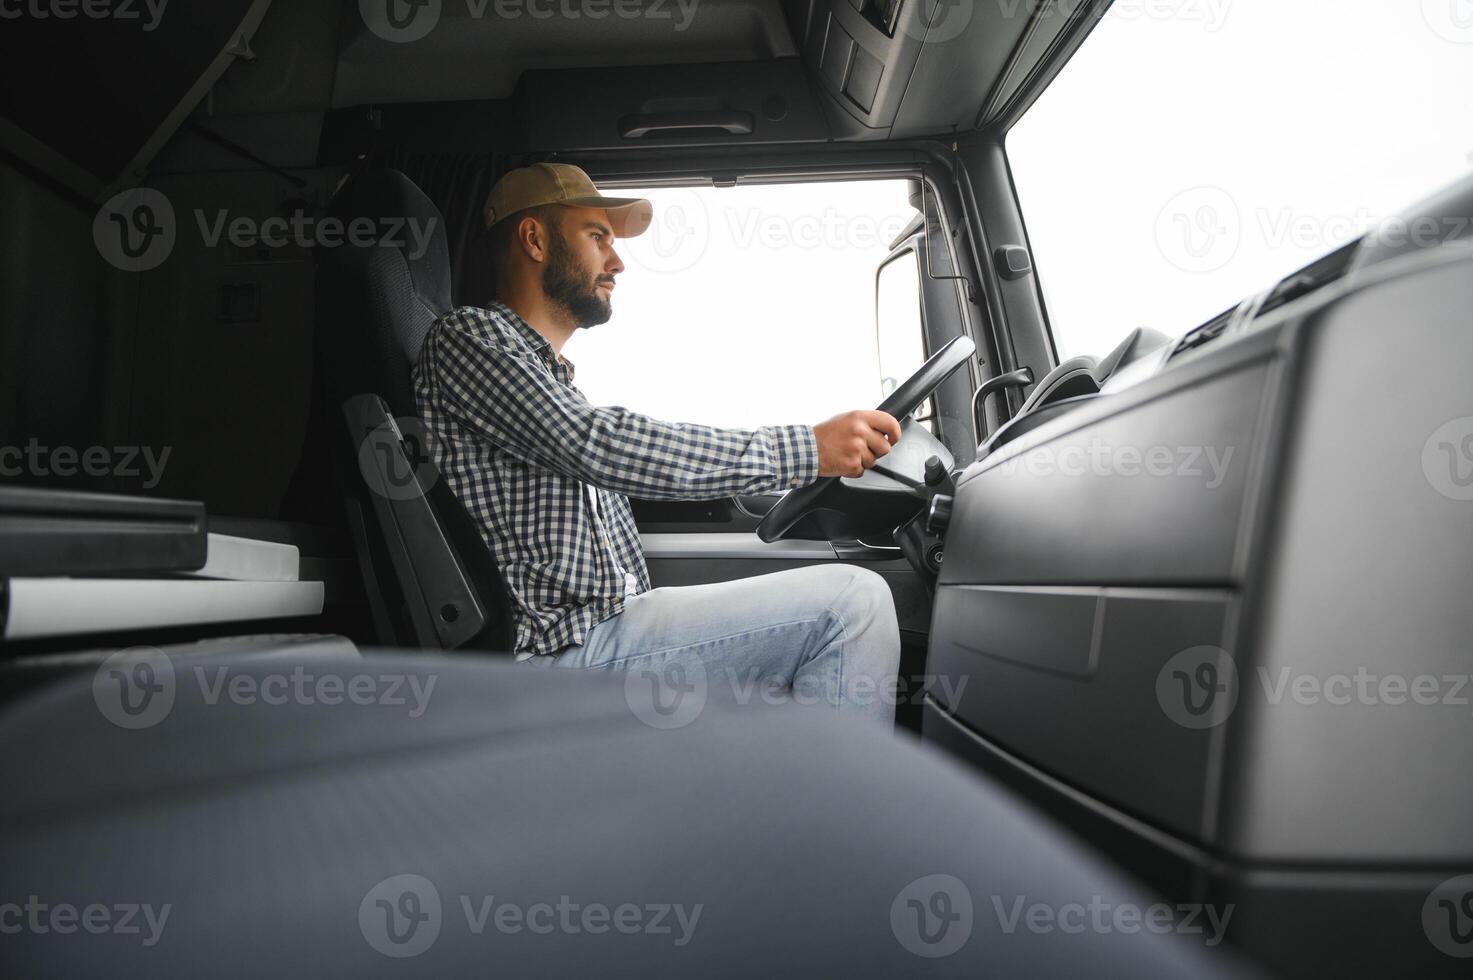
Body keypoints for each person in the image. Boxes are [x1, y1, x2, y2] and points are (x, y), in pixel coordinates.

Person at [413, 163, 903, 723]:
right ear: (534, 238)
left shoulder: (552, 378)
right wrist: (803, 449)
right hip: (554, 656)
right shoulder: (469, 338)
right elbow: (600, 445)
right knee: (851, 606)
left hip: (608, 628)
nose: (617, 262)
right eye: (598, 237)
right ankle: (843, 810)